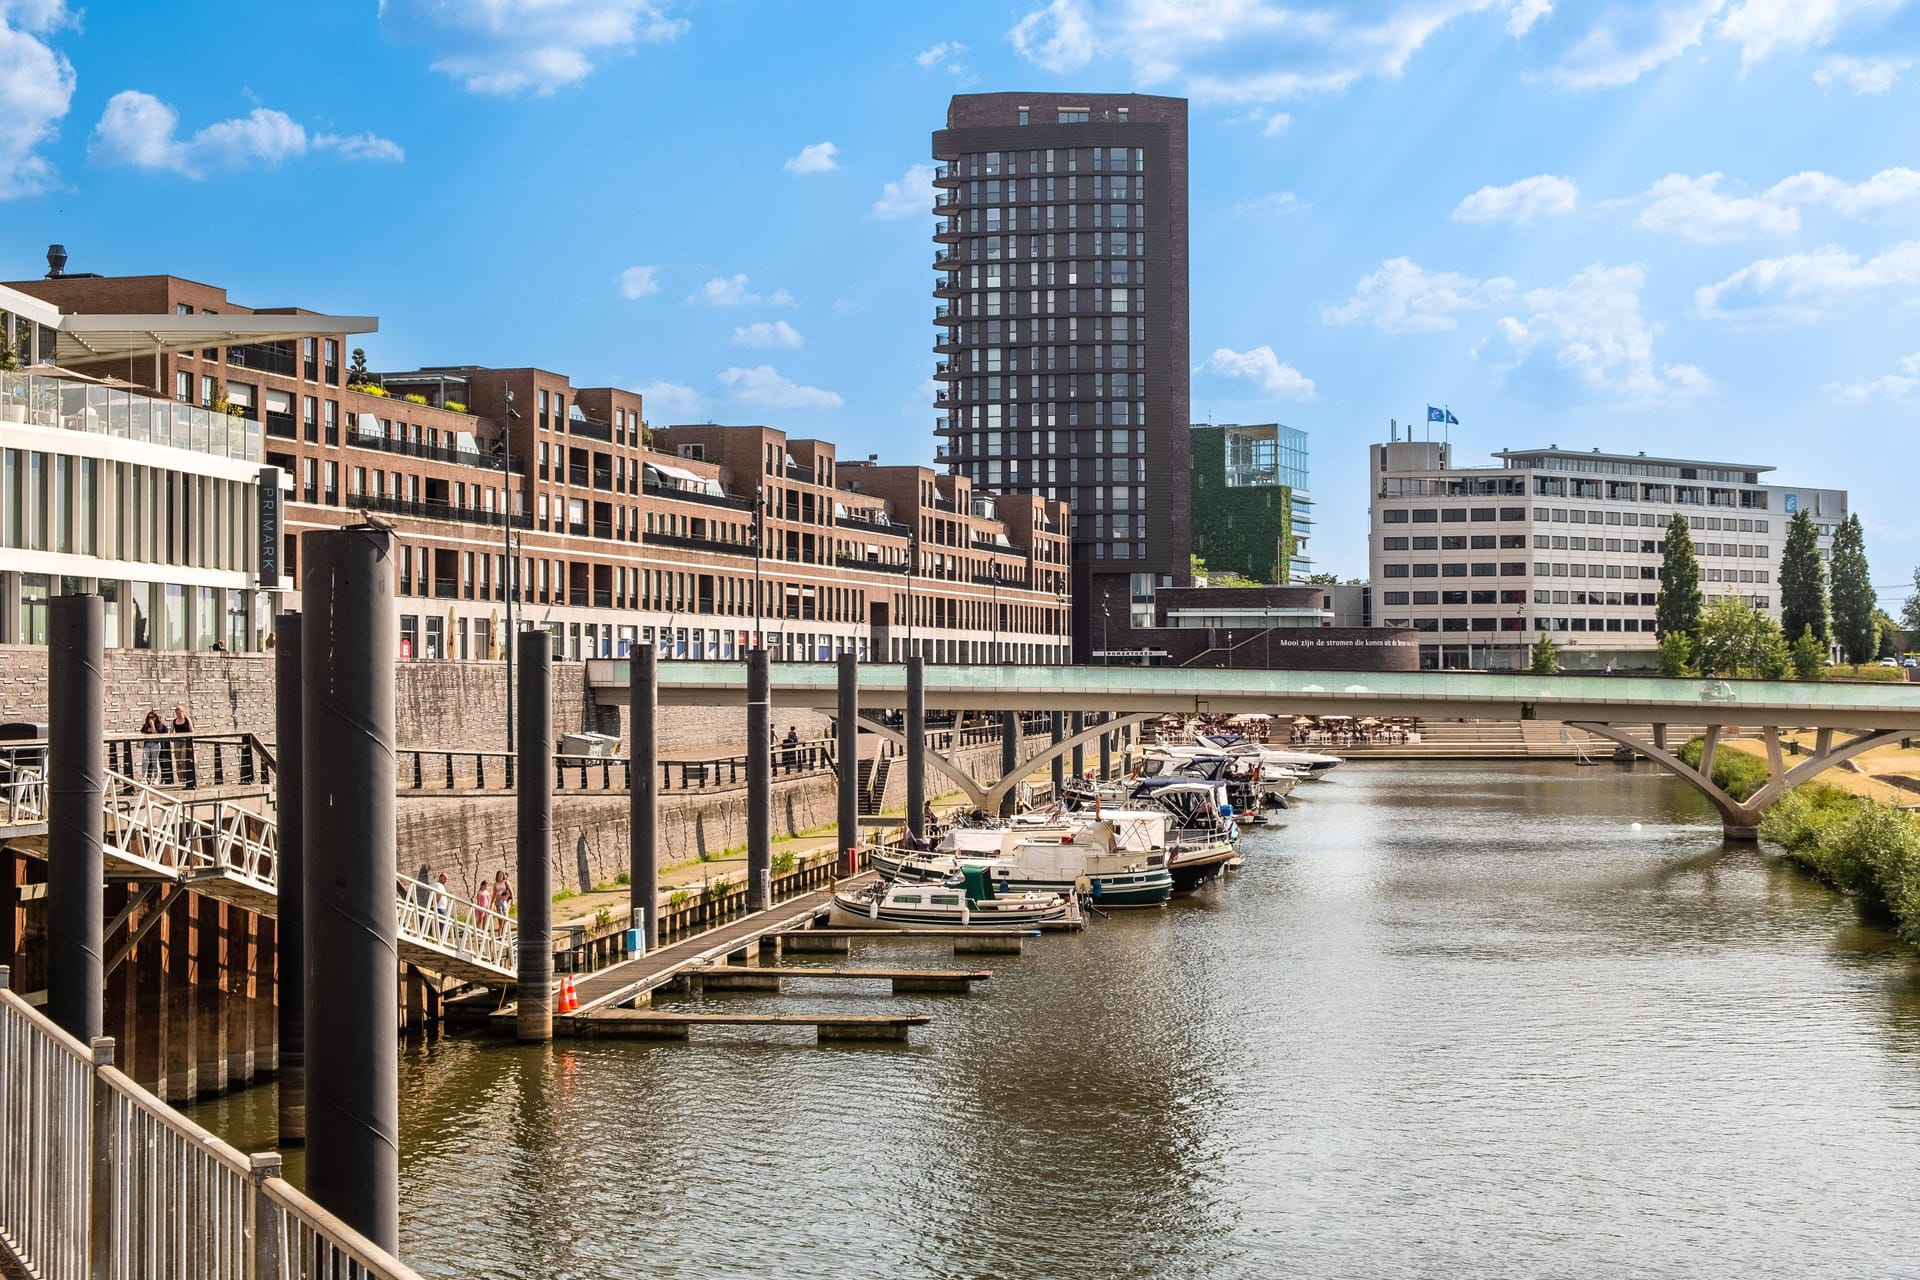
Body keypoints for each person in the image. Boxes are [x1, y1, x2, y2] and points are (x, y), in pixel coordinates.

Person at [170, 705, 195, 788]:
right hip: (177, 741)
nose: (178, 715)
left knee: (184, 759)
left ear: (183, 712)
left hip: (186, 741)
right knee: (178, 762)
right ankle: (181, 780)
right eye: (177, 713)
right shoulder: (174, 721)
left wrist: (192, 741)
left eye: (180, 713)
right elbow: (171, 732)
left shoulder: (187, 720)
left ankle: (187, 779)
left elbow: (192, 731)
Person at [140, 711, 166, 783]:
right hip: (146, 744)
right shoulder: (145, 725)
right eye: (149, 717)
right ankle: (143, 778)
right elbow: (142, 733)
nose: (150, 719)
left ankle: (155, 778)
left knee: (155, 761)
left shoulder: (159, 725)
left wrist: (152, 725)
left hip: (155, 744)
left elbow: (156, 735)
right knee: (145, 760)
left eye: (152, 717)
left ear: (156, 718)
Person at [431, 873, 452, 937]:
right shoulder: (438, 885)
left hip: (441, 907)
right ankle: (442, 938)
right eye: (445, 878)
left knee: (441, 924)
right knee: (442, 925)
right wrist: (434, 904)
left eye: (447, 879)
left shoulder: (438, 885)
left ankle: (441, 938)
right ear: (440, 877)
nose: (446, 880)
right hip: (440, 908)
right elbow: (438, 895)